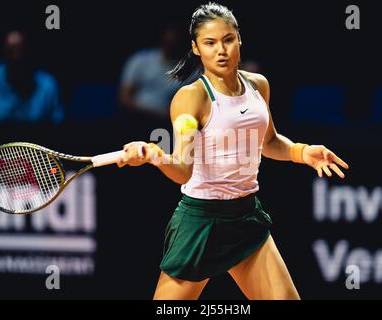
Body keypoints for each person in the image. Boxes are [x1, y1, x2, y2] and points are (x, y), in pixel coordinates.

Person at [117, 2, 349, 300]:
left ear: (239, 38)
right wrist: (154, 155)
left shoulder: (258, 86)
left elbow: (270, 142)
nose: (221, 50)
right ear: (196, 48)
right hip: (200, 222)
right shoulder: (191, 99)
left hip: (246, 219)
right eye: (210, 43)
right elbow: (182, 170)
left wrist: (303, 152)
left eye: (227, 39)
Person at [0, 30, 64, 124]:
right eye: (11, 50)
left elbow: (59, 129)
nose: (16, 56)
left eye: (20, 49)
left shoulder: (48, 86)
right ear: (3, 53)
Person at [119, 23, 186, 120]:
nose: (172, 46)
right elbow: (124, 98)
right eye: (169, 43)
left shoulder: (192, 71)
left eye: (176, 43)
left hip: (170, 123)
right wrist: (157, 114)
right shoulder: (140, 59)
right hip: (134, 118)